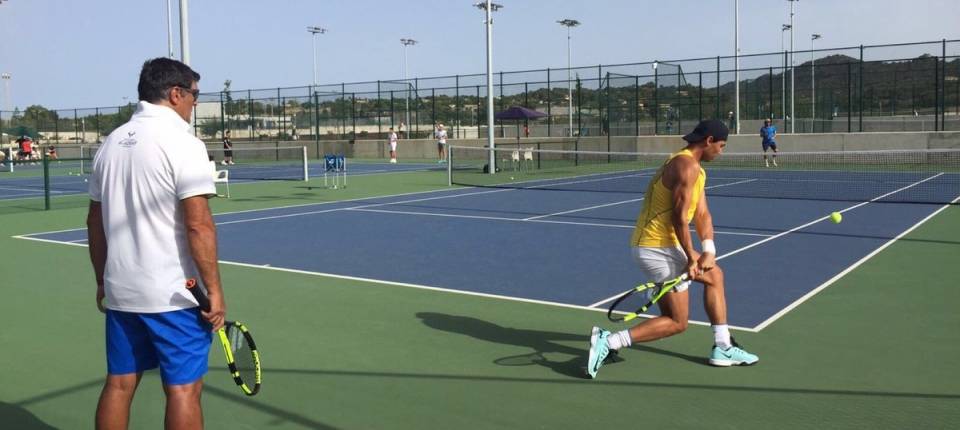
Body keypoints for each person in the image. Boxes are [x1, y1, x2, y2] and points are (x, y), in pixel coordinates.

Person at [87, 57, 225, 429]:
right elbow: (199, 226)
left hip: (122, 292)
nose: (195, 104)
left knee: (118, 384)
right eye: (195, 95)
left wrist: (103, 280)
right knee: (183, 391)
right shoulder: (183, 143)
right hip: (174, 297)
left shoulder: (111, 143)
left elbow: (93, 222)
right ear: (176, 94)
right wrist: (214, 291)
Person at [587, 119, 758, 379]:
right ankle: (609, 342)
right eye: (721, 145)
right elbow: (679, 217)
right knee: (678, 322)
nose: (721, 151)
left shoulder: (697, 170)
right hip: (657, 247)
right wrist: (692, 257)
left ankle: (723, 346)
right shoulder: (684, 165)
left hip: (663, 246)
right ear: (709, 140)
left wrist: (709, 249)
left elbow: (702, 214)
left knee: (714, 276)